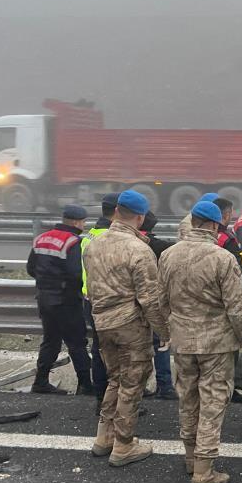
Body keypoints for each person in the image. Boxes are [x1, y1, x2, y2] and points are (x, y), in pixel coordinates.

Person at [158, 200, 242, 483]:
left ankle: (191, 459)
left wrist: (164, 333)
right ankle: (204, 473)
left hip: (182, 342)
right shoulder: (223, 259)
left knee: (188, 399)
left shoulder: (168, 255)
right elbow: (237, 310)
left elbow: (161, 302)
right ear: (213, 226)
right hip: (216, 344)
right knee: (212, 403)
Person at [83, 189, 170, 467]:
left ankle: (103, 437)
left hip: (101, 323)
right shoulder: (139, 250)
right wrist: (164, 332)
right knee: (133, 384)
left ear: (116, 211)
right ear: (141, 217)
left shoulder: (93, 243)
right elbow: (150, 299)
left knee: (114, 379)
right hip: (130, 326)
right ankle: (124, 445)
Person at [26, 204, 93, 395]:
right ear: (76, 222)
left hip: (44, 299)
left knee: (51, 341)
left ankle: (40, 381)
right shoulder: (73, 242)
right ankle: (85, 384)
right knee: (77, 343)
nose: (83, 225)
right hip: (66, 301)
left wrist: (47, 283)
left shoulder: (41, 238)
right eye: (83, 222)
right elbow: (75, 274)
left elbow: (31, 268)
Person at [82, 192, 119, 403]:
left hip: (90, 300)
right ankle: (114, 402)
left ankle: (101, 398)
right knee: (118, 354)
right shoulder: (112, 239)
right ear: (117, 211)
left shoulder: (89, 236)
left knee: (99, 349)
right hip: (110, 302)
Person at [141, 210, 176, 400]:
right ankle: (165, 386)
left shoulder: (129, 243)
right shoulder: (160, 246)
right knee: (161, 343)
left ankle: (138, 386)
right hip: (155, 301)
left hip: (131, 304)